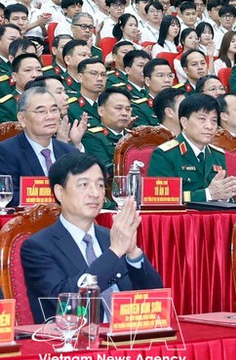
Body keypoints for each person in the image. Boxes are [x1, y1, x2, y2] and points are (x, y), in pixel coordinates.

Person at [20, 153, 163, 323]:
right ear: (59, 192)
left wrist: (133, 253)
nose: (95, 193)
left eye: (100, 185)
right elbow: (66, 302)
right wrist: (115, 252)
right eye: (83, 184)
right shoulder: (38, 247)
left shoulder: (111, 236)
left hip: (127, 336)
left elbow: (156, 299)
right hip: (73, 341)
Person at [147, 93, 236, 202]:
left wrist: (226, 195)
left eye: (214, 121)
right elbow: (161, 199)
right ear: (184, 122)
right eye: (202, 119)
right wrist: (208, 194)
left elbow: (224, 195)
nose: (209, 126)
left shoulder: (218, 155)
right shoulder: (165, 154)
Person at [0, 88, 79, 206]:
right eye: (41, 111)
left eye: (54, 110)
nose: (50, 116)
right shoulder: (6, 152)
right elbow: (7, 196)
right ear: (22, 118)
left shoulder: (70, 153)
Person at [81, 88, 132, 179]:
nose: (124, 113)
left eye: (128, 109)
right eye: (118, 108)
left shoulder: (135, 137)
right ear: (101, 111)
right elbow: (104, 169)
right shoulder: (92, 137)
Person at [66, 58, 107, 127]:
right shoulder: (70, 108)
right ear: (80, 77)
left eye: (103, 74)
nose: (100, 79)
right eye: (94, 74)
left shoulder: (110, 105)